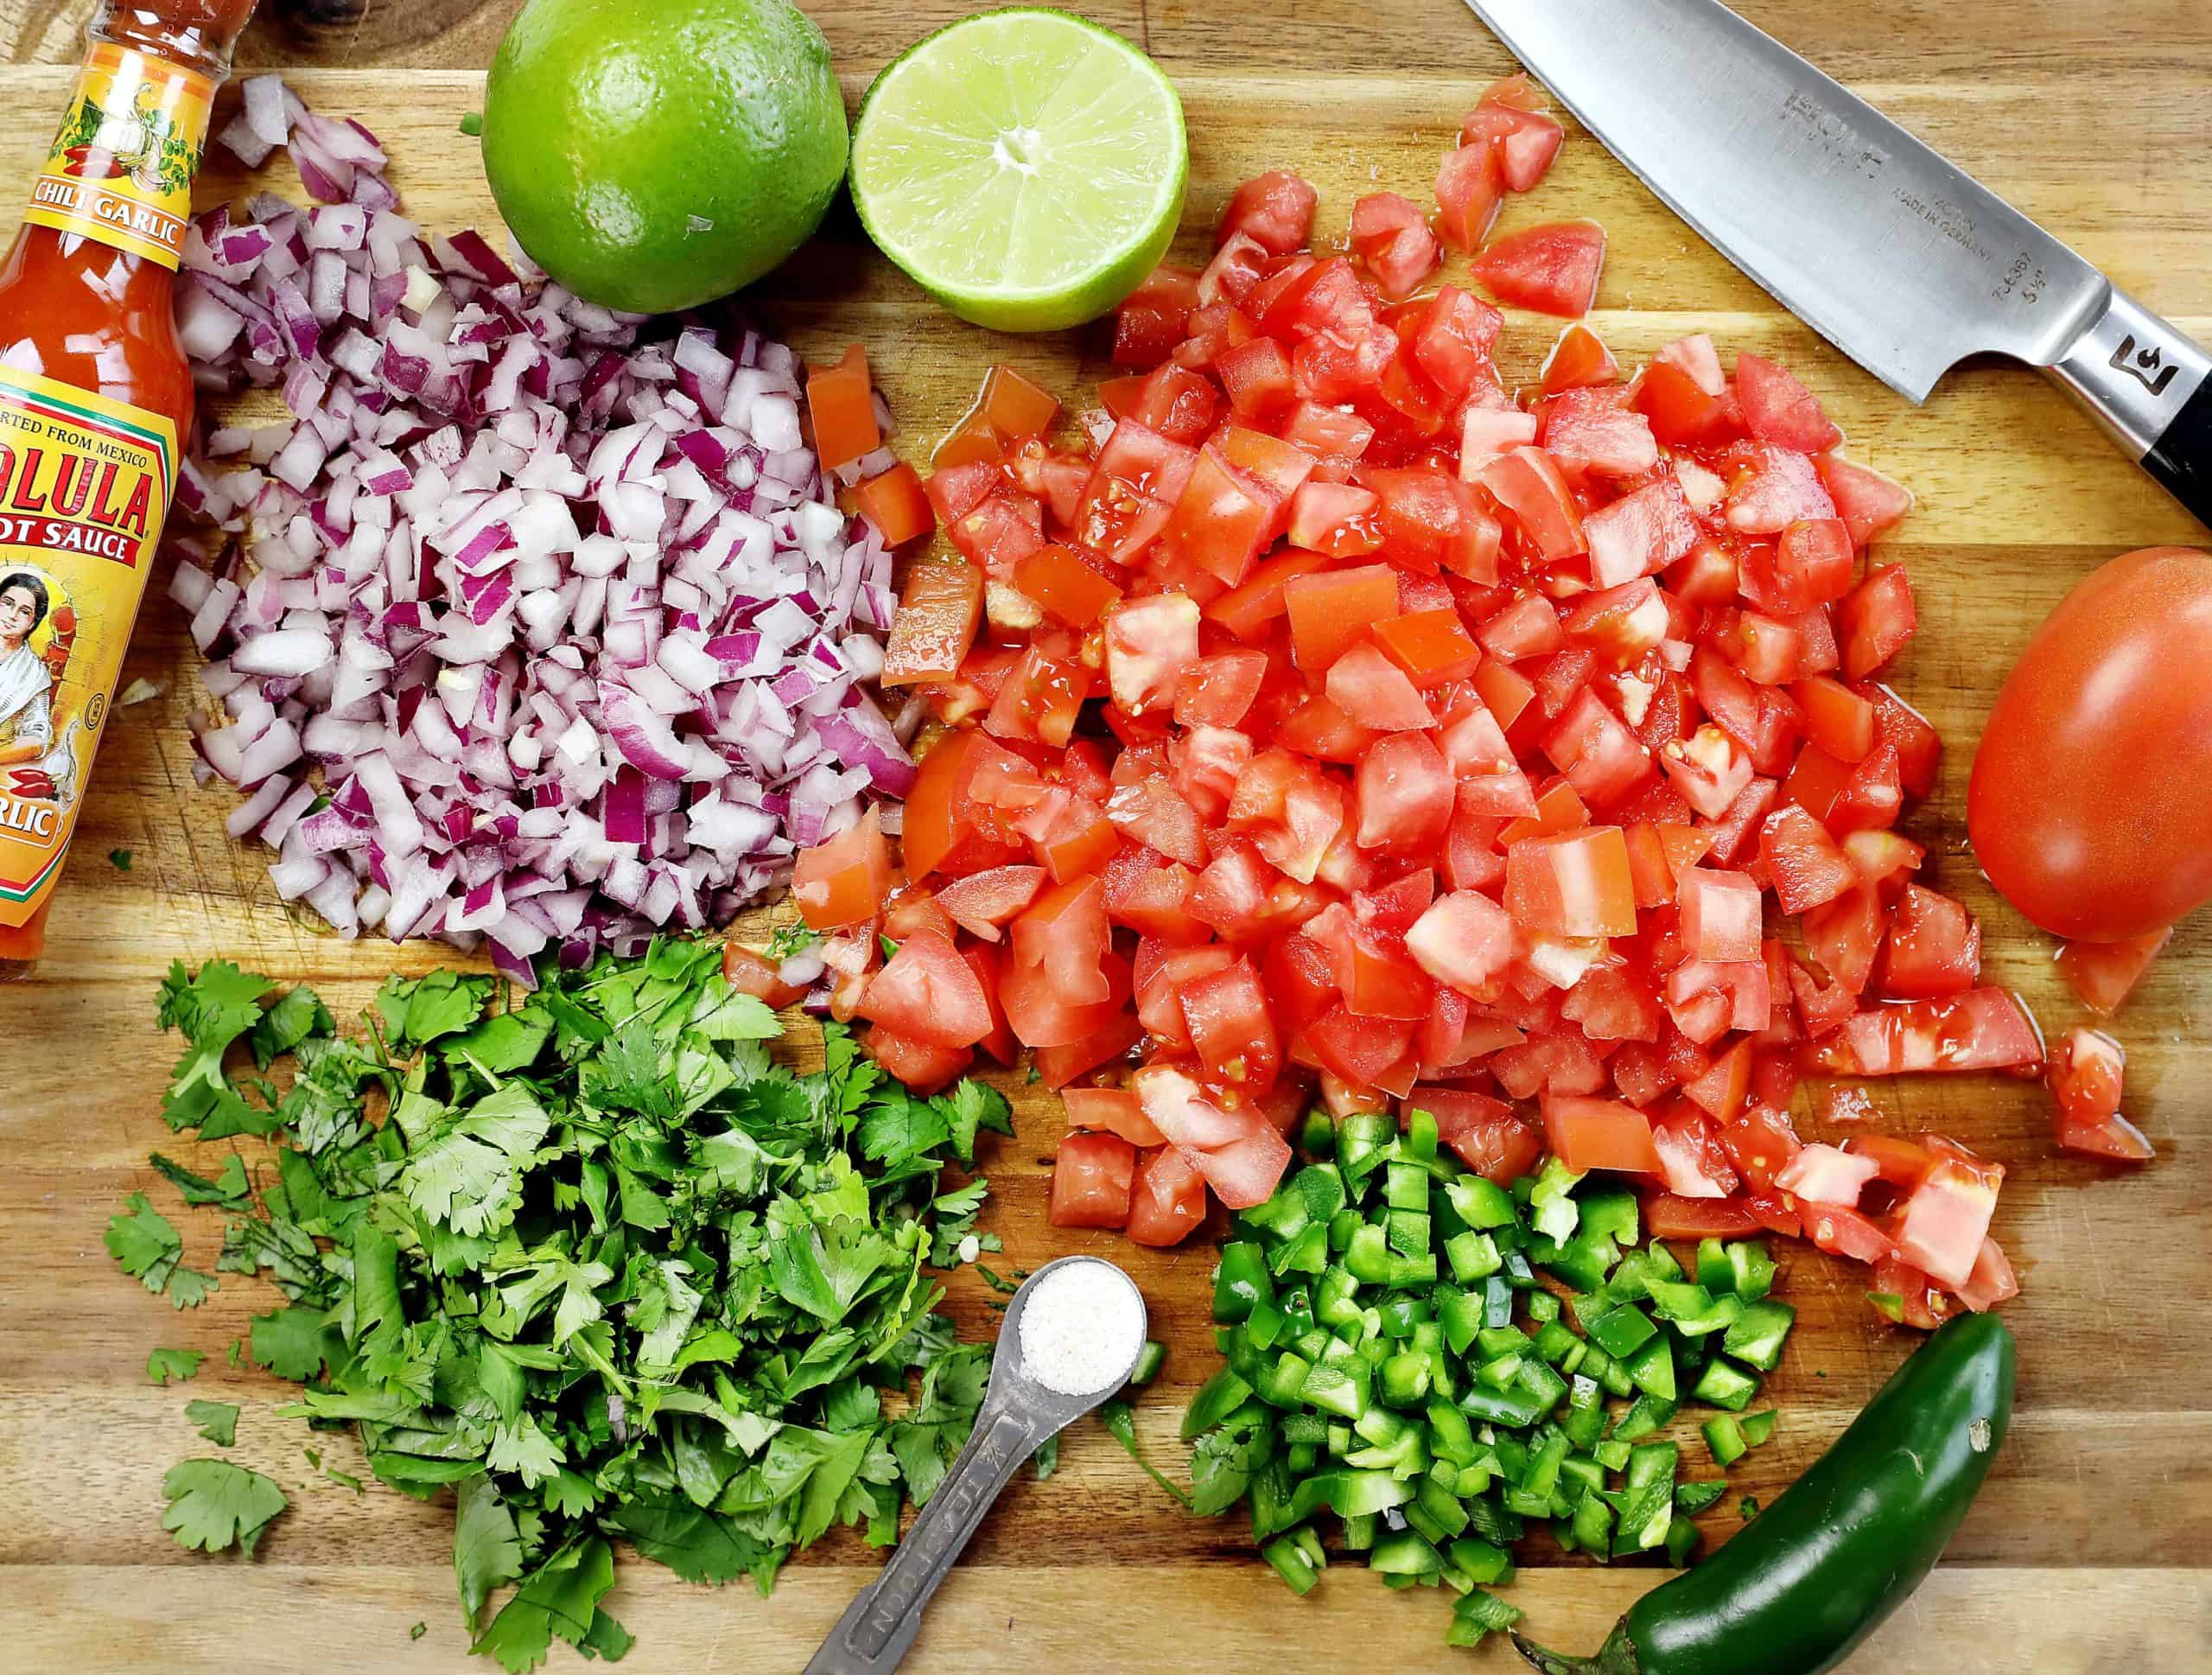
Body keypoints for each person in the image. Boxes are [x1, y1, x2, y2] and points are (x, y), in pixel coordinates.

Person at [0, 570, 55, 774]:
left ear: (32, 623)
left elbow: (37, 738)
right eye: (7, 603)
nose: (12, 616)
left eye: (24, 611)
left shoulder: (33, 675)